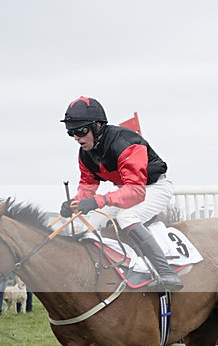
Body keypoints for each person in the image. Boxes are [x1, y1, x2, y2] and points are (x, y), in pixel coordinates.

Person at [59, 96, 183, 291]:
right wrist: (75, 203)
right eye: (71, 132)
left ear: (98, 126)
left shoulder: (125, 143)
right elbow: (88, 185)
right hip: (127, 190)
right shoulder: (85, 154)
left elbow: (136, 192)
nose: (76, 137)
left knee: (127, 217)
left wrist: (98, 201)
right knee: (90, 224)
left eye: (81, 131)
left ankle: (166, 272)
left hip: (154, 188)